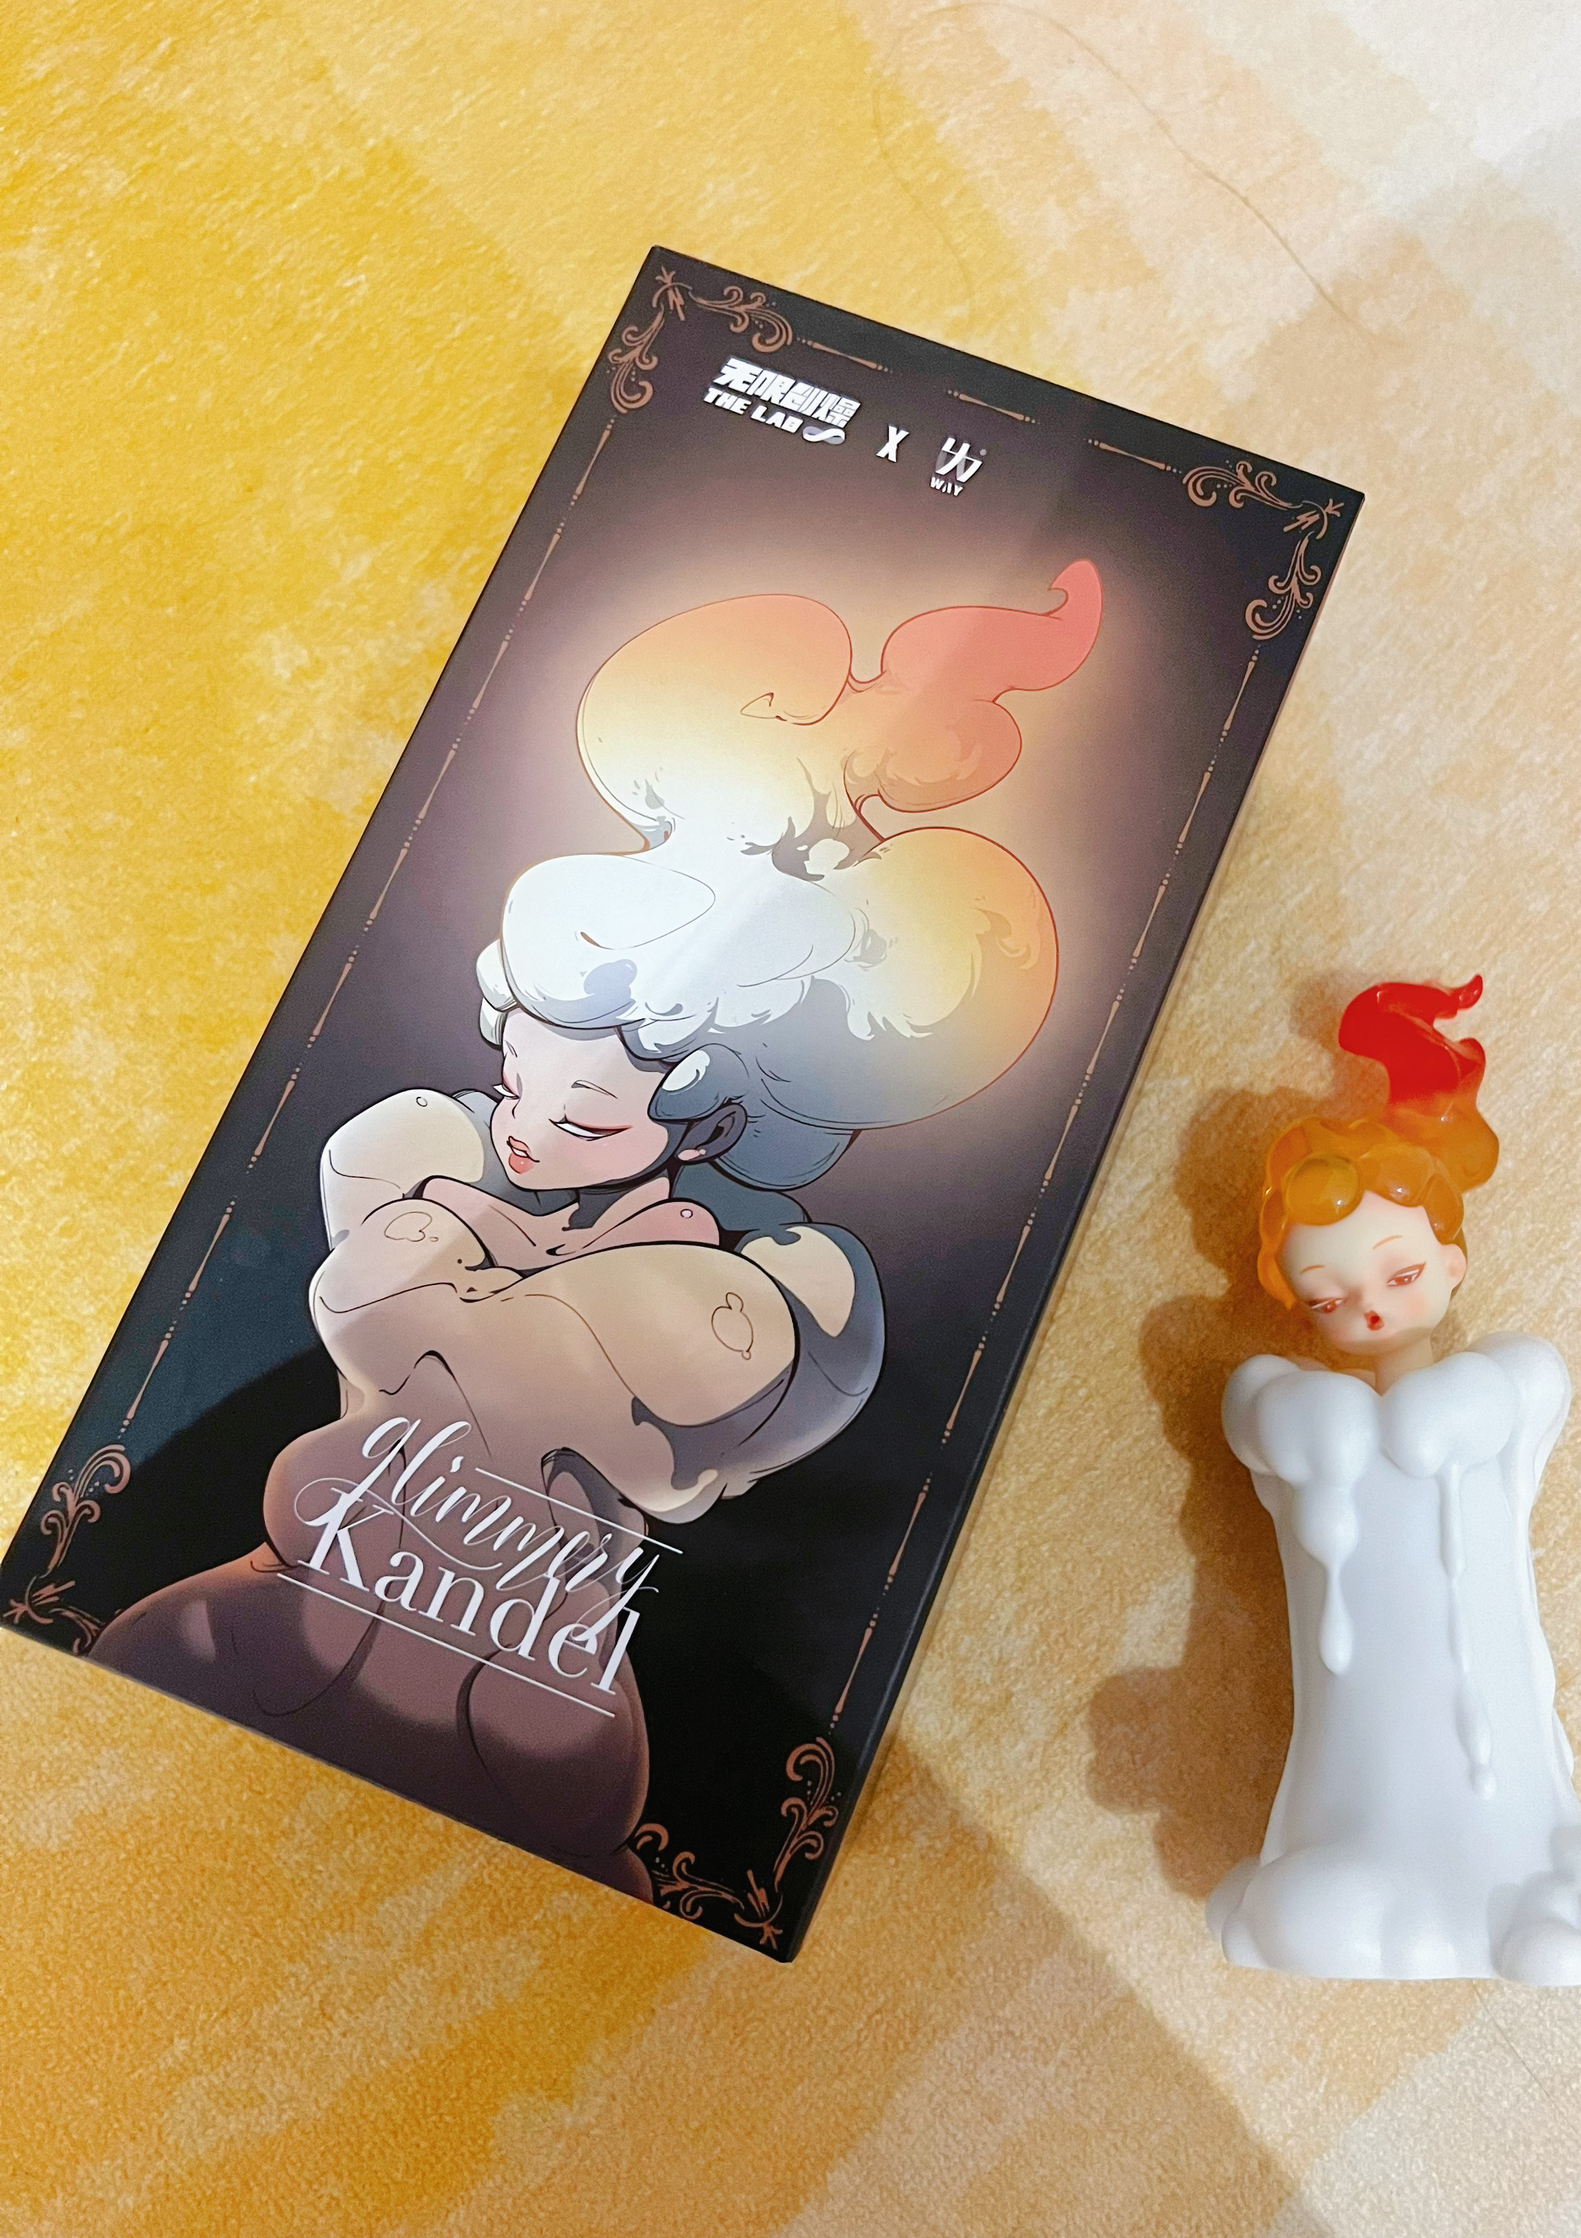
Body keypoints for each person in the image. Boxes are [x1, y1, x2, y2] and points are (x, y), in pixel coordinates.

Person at [95, 563, 1103, 1891]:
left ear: (714, 1115)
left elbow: (575, 1377)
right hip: (279, 1614)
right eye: (515, 1077)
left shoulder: (758, 1298)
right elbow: (370, 1311)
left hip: (533, 1718)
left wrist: (499, 1273)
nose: (520, 1131)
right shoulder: (425, 1152)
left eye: (578, 1115)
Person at [1209, 977, 1581, 1984]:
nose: (1368, 1309)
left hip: (1504, 1743)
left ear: (1452, 1262)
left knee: (1504, 1795)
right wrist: (1321, 1419)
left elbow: (1517, 1389)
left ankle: (1534, 1893)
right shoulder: (1290, 1407)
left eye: (1398, 1276)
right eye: (1328, 1297)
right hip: (1361, 1755)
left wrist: (1428, 1412)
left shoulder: (1506, 1385)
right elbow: (1258, 1411)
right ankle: (1398, 1889)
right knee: (1342, 1855)